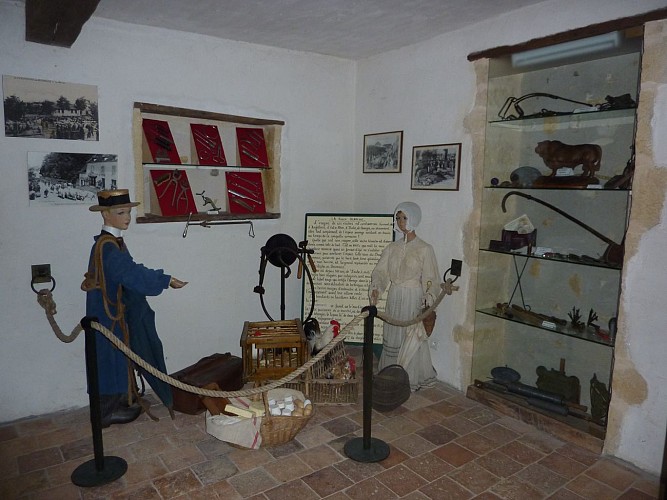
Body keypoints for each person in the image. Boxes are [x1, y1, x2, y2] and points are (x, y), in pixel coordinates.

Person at [83, 189, 187, 427]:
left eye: (128, 211)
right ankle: (106, 412)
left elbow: (129, 269)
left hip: (113, 311)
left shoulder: (112, 243)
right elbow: (130, 273)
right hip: (107, 315)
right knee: (109, 357)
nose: (127, 217)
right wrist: (165, 279)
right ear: (106, 215)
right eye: (121, 212)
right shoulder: (108, 247)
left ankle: (121, 401)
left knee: (119, 355)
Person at [369, 201, 438, 391]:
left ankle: (409, 378)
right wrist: (377, 287)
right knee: (393, 336)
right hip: (395, 295)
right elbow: (381, 272)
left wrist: (428, 297)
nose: (401, 222)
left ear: (414, 219)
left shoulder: (425, 249)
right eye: (398, 218)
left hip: (413, 297)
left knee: (410, 336)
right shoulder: (392, 248)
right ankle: (391, 375)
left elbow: (431, 278)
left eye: (405, 218)